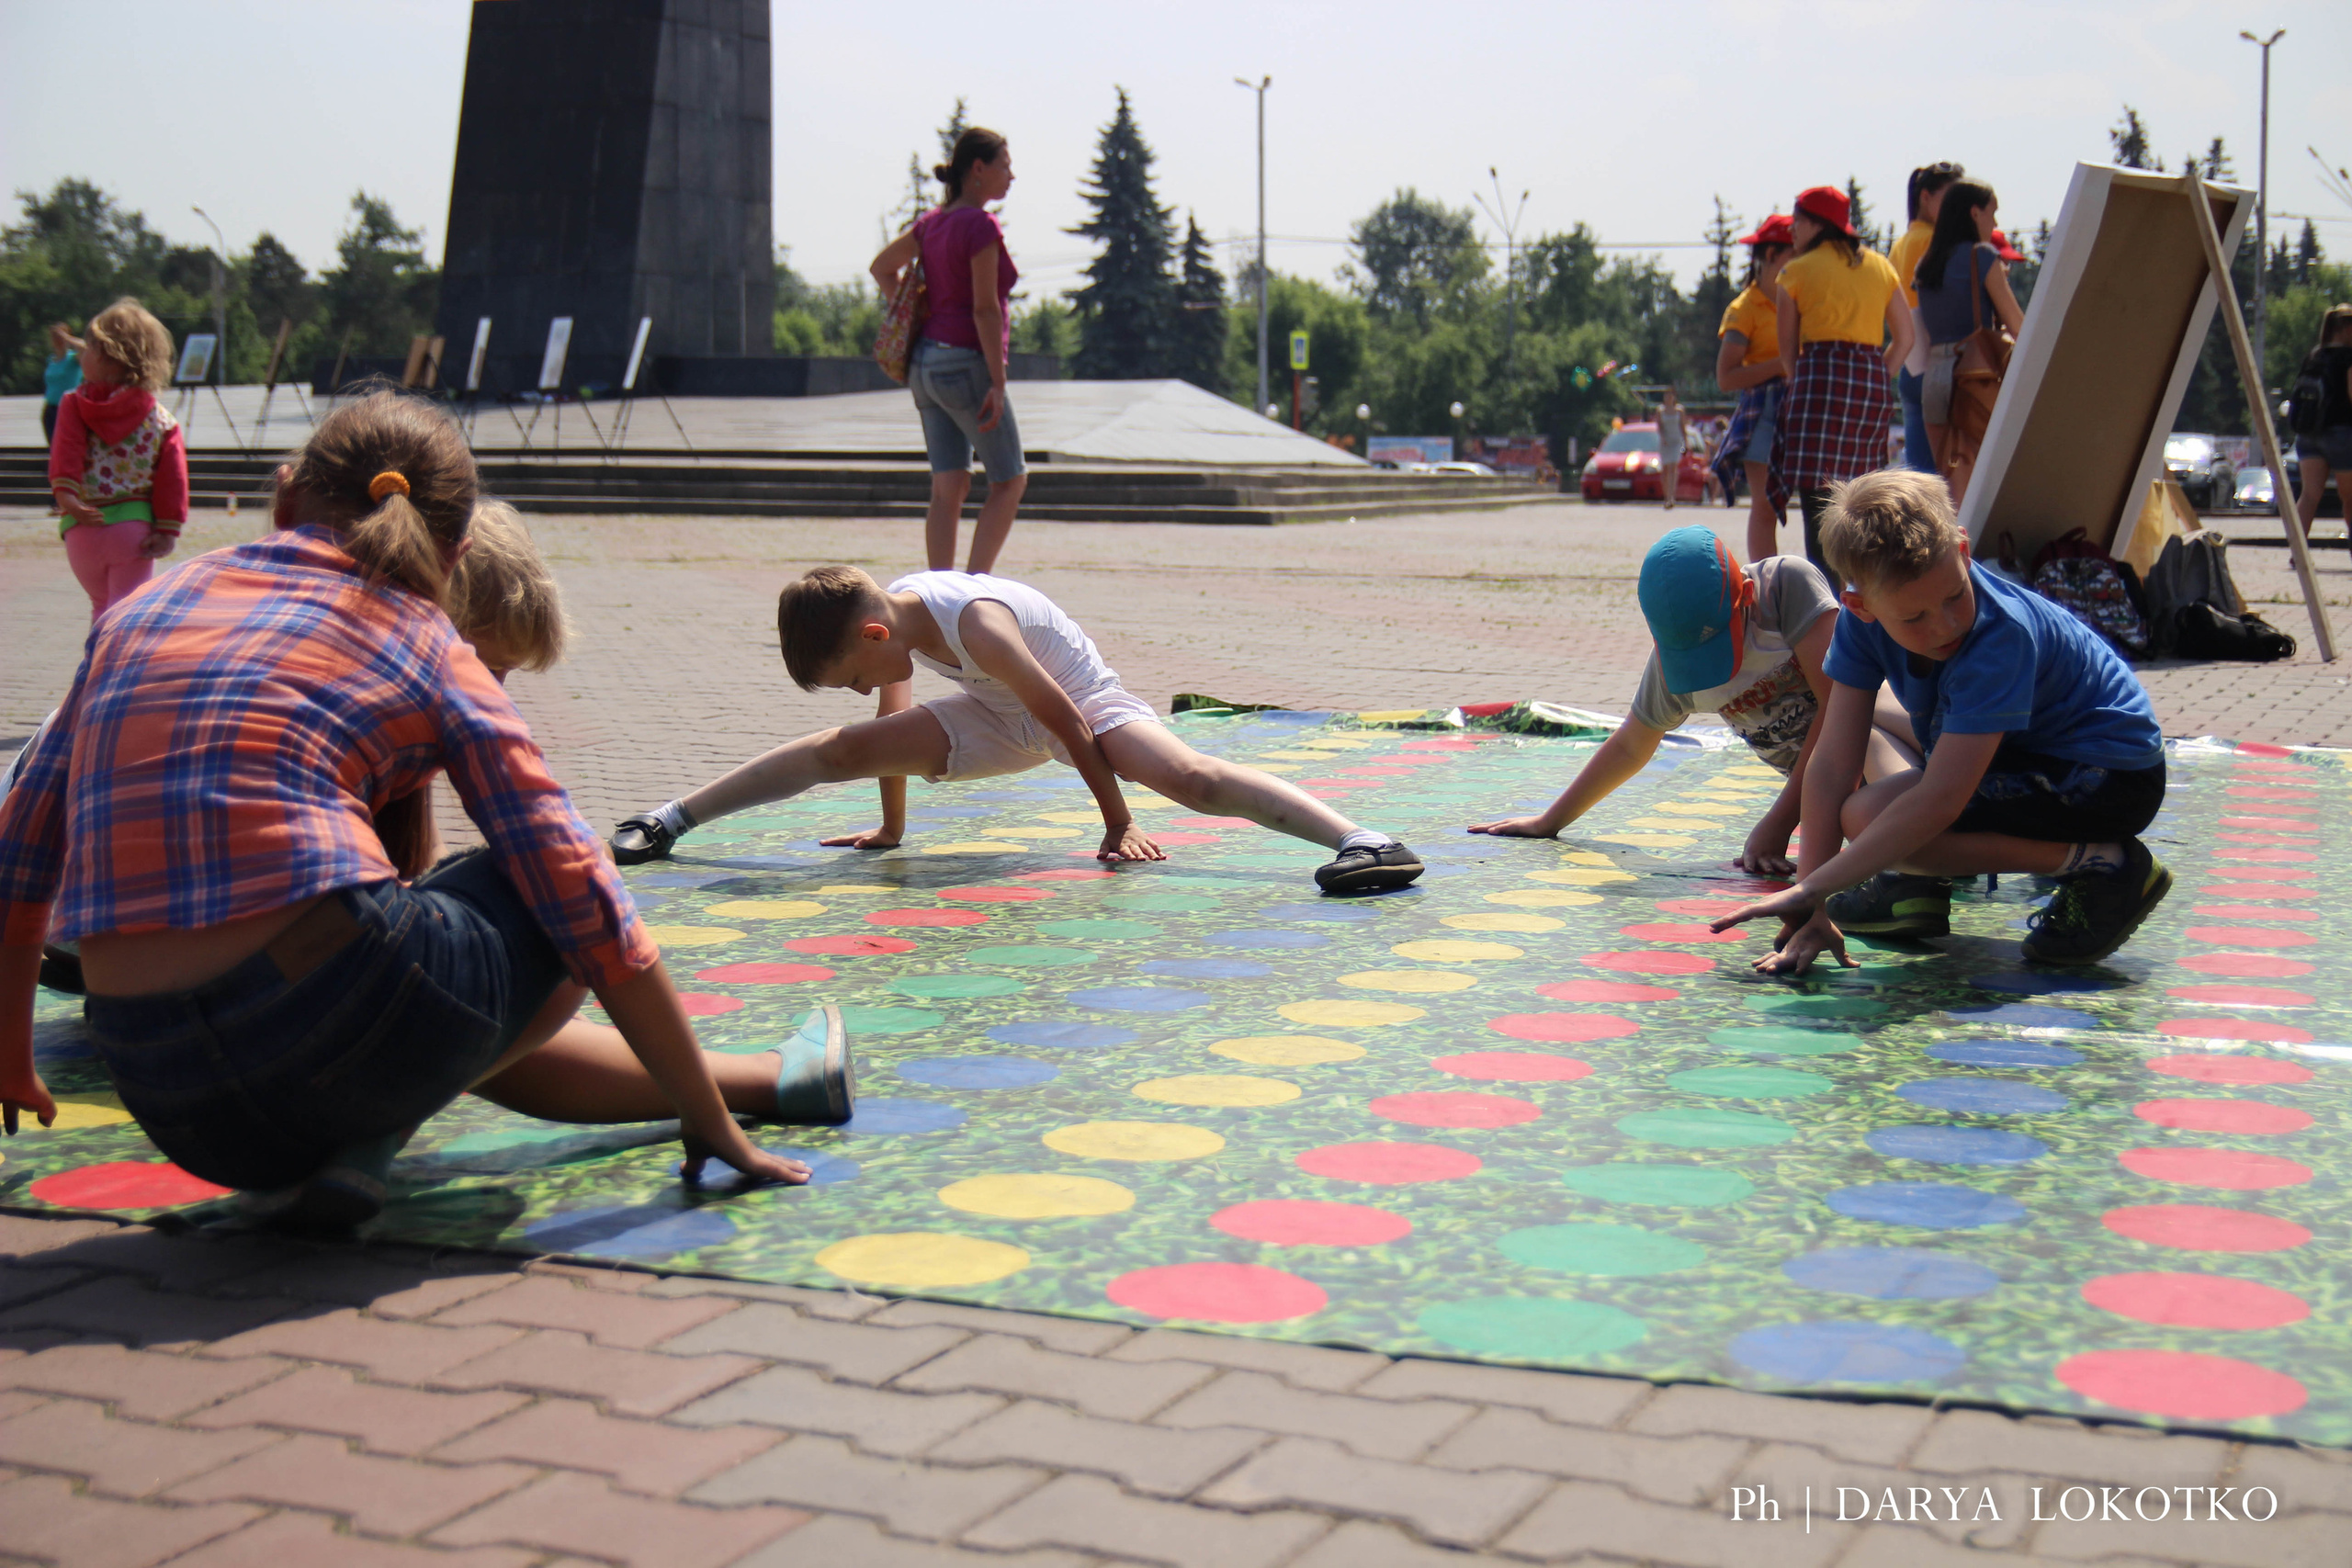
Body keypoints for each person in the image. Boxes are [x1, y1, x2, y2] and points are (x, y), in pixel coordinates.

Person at [0, 390, 831, 1230]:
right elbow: (579, 887)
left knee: (432, 955)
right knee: (535, 888)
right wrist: (708, 1117)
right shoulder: (423, 637)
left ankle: (377, 1134)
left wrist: (8, 1050)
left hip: (168, 1096)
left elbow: (20, 854)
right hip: (314, 1040)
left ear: (285, 498)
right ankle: (394, 1126)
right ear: (456, 550)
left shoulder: (141, 610)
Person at [608, 567, 1427, 896]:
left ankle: (1367, 838)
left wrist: (1118, 818)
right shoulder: (895, 623)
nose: (867, 689)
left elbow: (1064, 717)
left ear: (871, 637)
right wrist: (893, 827)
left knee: (1191, 780)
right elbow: (884, 723)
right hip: (1002, 715)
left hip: (1082, 706)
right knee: (838, 751)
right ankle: (669, 819)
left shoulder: (977, 625)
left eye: (858, 675)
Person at [1708, 470, 2171, 972]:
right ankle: (1912, 882)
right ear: (1860, 607)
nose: (1945, 625)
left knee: (1887, 827)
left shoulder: (1999, 637)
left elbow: (1941, 801)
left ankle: (2106, 863)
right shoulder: (1862, 626)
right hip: (2027, 755)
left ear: (1964, 553)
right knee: (1867, 796)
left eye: (1954, 596)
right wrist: (1811, 906)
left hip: (2108, 777)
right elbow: (1832, 764)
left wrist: (1814, 886)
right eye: (1915, 618)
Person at [1468, 525, 1918, 874]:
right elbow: (1630, 745)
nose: (1707, 668)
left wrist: (1780, 822)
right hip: (1835, 788)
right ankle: (1913, 851)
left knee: (1868, 735)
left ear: (1746, 596)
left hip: (1903, 740)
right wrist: (1552, 821)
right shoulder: (1674, 664)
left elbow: (1839, 712)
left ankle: (1920, 835)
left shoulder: (1785, 588)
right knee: (1863, 821)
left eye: (1716, 647)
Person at [870, 127, 1026, 576]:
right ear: (977, 169)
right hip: (965, 364)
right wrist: (997, 382)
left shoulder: (932, 223)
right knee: (1010, 480)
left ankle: (938, 599)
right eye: (1005, 166)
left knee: (948, 486)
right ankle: (974, 594)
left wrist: (919, 314)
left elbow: (882, 268)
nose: (1011, 177)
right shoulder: (979, 225)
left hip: (924, 366)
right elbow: (984, 310)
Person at [1777, 187, 1915, 570]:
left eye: (1797, 222)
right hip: (1868, 387)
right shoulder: (1880, 266)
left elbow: (1786, 350)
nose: (1792, 231)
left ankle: (1826, 604)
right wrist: (1875, 375)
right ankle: (1865, 598)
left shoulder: (1795, 272)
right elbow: (1906, 338)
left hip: (1816, 383)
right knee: (1861, 500)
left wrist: (1796, 382)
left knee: (1819, 505)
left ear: (1815, 225)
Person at [47, 299, 188, 623]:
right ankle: (117, 671)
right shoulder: (163, 420)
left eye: (88, 347)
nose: (81, 354)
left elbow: (65, 453)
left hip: (82, 526)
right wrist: (168, 528)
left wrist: (67, 498)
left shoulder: (74, 405)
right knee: (126, 614)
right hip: (132, 531)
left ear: (105, 354)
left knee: (101, 607)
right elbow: (173, 479)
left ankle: (95, 669)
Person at [1914, 181, 2026, 505]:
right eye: (1992, 213)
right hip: (1975, 376)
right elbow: (2018, 325)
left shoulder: (1927, 263)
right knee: (1981, 483)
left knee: (1947, 484)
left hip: (1934, 376)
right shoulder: (1982, 257)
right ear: (1975, 212)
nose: (1995, 224)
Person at [1712, 215, 1796, 561]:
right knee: (1764, 508)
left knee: (1823, 505)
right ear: (1771, 256)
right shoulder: (1742, 309)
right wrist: (1782, 364)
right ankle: (1768, 585)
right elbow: (1726, 377)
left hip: (1805, 404)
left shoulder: (1804, 298)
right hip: (1763, 410)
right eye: (1795, 254)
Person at [1887, 164, 1966, 476]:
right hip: (1943, 360)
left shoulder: (1901, 243)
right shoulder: (1937, 242)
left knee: (1919, 472)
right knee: (1954, 474)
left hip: (1909, 363)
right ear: (1926, 197)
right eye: (1951, 198)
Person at [2291, 303, 2352, 543]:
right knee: (2349, 498)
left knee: (2309, 495)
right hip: (2342, 434)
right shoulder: (2348, 357)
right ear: (2346, 329)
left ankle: (2296, 552)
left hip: (2308, 434)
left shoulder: (2313, 356)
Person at [41, 322, 83, 449]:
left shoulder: (73, 359)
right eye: (54, 337)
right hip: (51, 407)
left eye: (60, 337)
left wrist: (66, 338)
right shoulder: (51, 360)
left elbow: (86, 348)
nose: (57, 340)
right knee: (53, 445)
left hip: (67, 407)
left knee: (66, 444)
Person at [1656, 388, 1686, 510]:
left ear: (1674, 397)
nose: (1668, 398)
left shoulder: (1680, 410)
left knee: (1673, 467)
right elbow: (1659, 426)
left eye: (1670, 396)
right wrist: (1663, 438)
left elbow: (1682, 426)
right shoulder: (1660, 410)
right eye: (1666, 396)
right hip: (1665, 442)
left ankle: (1671, 497)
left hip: (1676, 441)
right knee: (1665, 469)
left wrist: (1686, 442)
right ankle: (1666, 497)